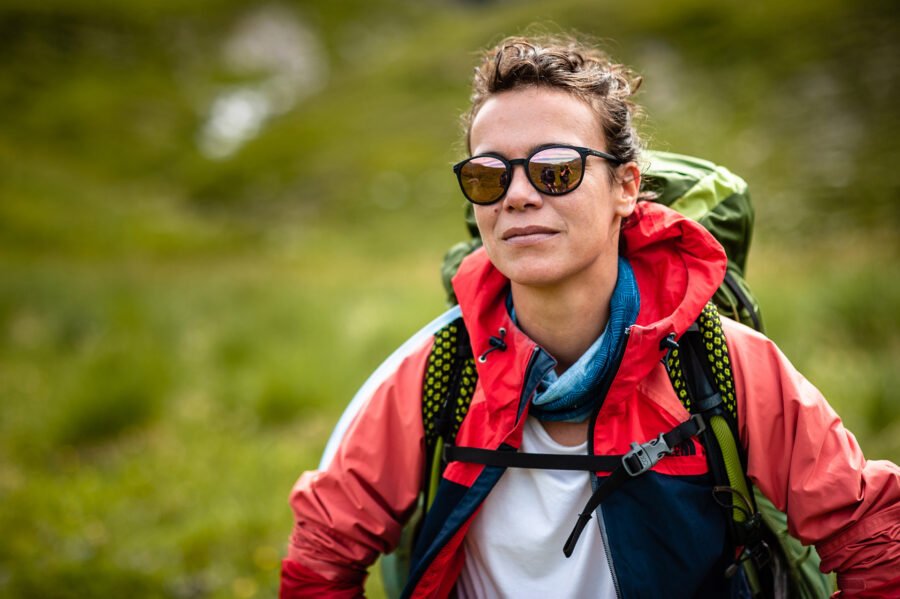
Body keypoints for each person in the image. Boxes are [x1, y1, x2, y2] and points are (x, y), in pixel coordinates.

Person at [280, 34, 900, 598]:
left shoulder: (722, 360)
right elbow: (322, 555)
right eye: (487, 176)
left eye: (555, 170)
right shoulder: (441, 367)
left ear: (626, 188)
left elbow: (872, 540)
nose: (518, 195)